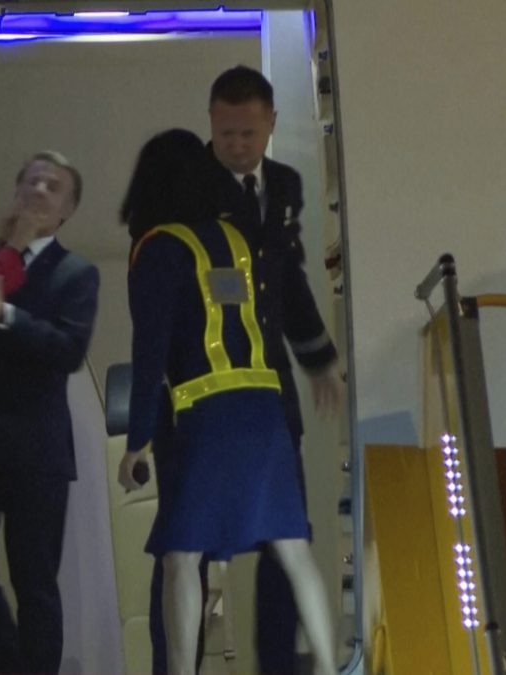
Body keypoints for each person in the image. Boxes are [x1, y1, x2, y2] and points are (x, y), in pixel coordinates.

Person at [145, 64, 343, 674]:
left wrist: (317, 360)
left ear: (270, 126)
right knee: (183, 545)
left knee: (288, 536)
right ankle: (175, 666)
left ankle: (281, 664)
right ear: (211, 123)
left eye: (248, 133)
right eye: (226, 132)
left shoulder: (282, 185)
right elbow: (162, 283)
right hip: (198, 386)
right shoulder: (185, 185)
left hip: (267, 384)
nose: (236, 145)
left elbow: (289, 279)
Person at [0, 150, 100, 674]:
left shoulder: (77, 273)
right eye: (32, 182)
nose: (39, 191)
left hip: (35, 451)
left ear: (67, 210)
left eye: (53, 186)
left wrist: (8, 315)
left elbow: (67, 351)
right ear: (15, 193)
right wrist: (7, 253)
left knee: (35, 585)